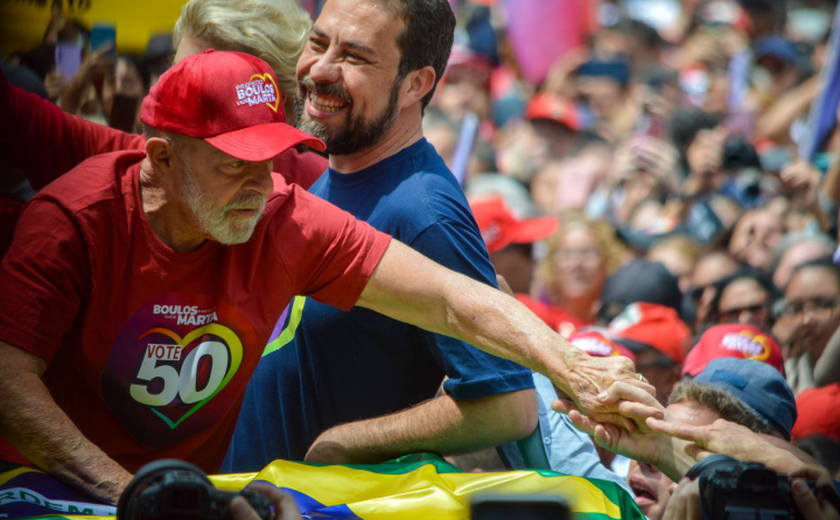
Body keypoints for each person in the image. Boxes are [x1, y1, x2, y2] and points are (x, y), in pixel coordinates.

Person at [0, 50, 649, 507]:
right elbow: (8, 382)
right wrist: (130, 496)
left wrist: (577, 371)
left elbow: (454, 301)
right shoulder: (72, 220)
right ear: (163, 160)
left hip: (195, 496)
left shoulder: (282, 216)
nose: (261, 186)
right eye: (235, 165)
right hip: (45, 487)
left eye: (270, 158)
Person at [224, 0, 543, 470]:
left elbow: (507, 404)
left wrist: (348, 443)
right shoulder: (336, 172)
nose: (322, 68)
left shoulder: (423, 212)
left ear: (416, 83)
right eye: (317, 42)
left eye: (355, 57)